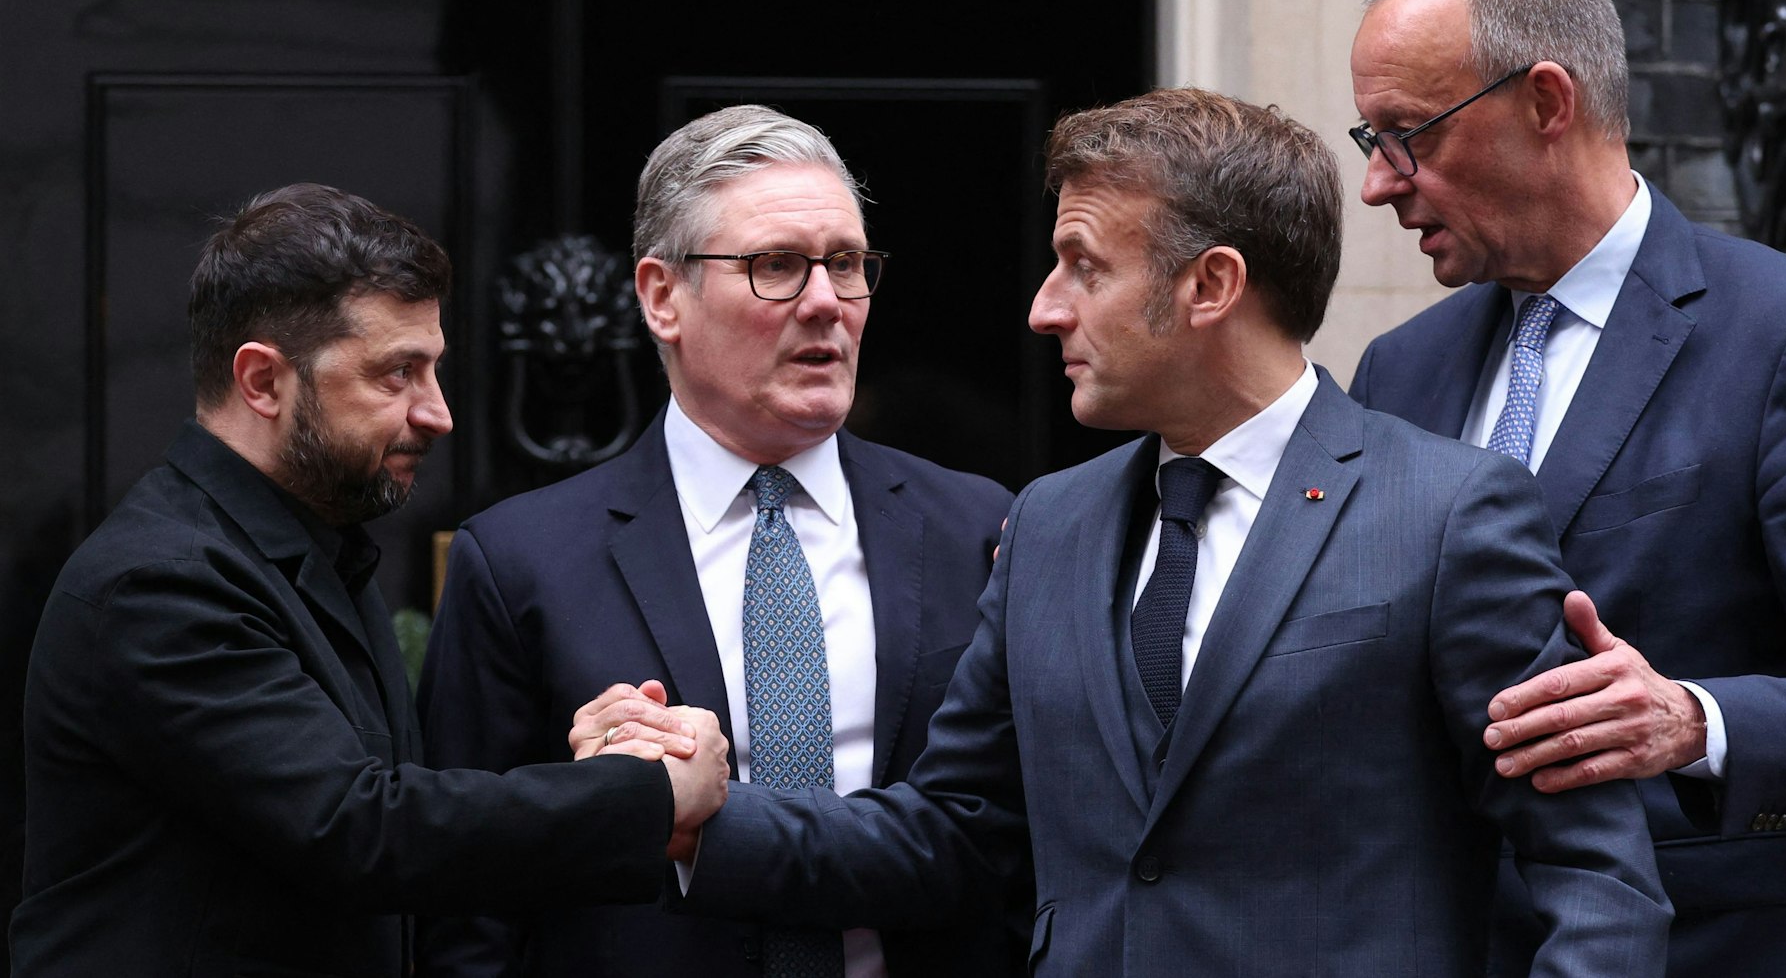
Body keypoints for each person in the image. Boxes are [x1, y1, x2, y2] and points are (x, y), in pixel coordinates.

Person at [663, 88, 1672, 975]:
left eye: (1081, 266)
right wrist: (696, 820)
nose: (1042, 309)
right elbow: (953, 833)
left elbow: (1593, 877)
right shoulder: (1047, 526)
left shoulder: (1447, 514)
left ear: (1210, 286)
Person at [1344, 0, 1786, 977]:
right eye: (1369, 139)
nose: (1378, 184)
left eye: (1409, 136)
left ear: (1546, 103)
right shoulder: (1398, 371)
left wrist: (1692, 719)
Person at [9, 184, 729, 977]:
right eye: (398, 374)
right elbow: (360, 829)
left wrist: (598, 763)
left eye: (434, 370)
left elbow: (386, 805)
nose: (439, 412)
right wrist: (647, 793)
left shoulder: (308, 547)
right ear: (261, 380)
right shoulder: (161, 581)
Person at [415, 105, 1017, 978]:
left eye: (846, 265)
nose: (824, 303)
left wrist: (700, 819)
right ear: (663, 295)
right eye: (775, 265)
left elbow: (1015, 840)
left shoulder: (977, 528)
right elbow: (468, 901)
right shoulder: (519, 562)